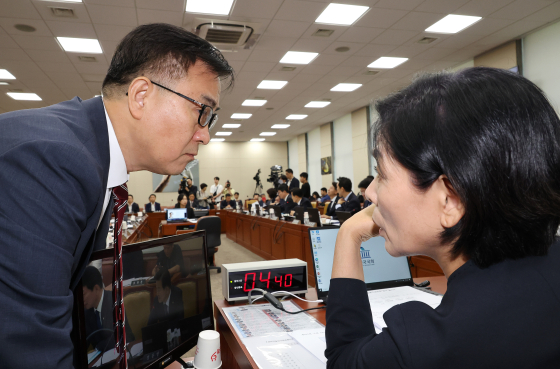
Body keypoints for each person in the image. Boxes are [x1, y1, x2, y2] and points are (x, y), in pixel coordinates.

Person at [0, 23, 233, 368]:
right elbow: (32, 347)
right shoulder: (53, 159)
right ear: (141, 96)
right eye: (203, 112)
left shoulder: (93, 158)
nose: (205, 135)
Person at [325, 68, 560, 368]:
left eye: (381, 174)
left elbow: (345, 358)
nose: (370, 193)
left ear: (450, 200)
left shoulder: (431, 345)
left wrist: (347, 235)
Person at [82, 266, 135, 352]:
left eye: (83, 294)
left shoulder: (114, 302)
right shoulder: (86, 312)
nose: (81, 299)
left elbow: (123, 337)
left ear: (96, 289)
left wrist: (100, 346)